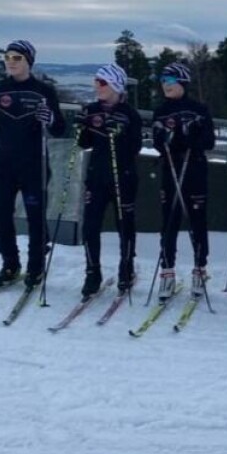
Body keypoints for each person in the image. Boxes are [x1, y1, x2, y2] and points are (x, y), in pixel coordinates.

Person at [0, 40, 66, 288]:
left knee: (35, 217)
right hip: (5, 164)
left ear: (28, 61)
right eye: (7, 57)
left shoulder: (43, 91)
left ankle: (36, 267)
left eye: (17, 57)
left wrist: (49, 118)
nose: (10, 61)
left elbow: (60, 128)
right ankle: (10, 263)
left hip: (34, 165)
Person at [74, 64, 142, 297]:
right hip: (96, 177)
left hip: (123, 177)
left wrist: (119, 132)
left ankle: (126, 268)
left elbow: (136, 147)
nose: (97, 86)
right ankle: (92, 272)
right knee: (91, 225)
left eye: (102, 82)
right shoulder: (91, 109)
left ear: (115, 85)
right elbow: (84, 143)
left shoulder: (129, 113)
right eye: (95, 81)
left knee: (125, 225)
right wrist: (81, 126)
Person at [151, 63, 216, 299]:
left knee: (197, 221)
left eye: (170, 80)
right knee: (169, 222)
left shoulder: (198, 109)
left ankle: (200, 270)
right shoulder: (161, 111)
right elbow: (159, 142)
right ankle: (167, 273)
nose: (165, 85)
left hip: (195, 168)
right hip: (171, 168)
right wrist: (165, 137)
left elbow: (209, 141)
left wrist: (191, 134)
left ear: (182, 83)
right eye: (163, 80)